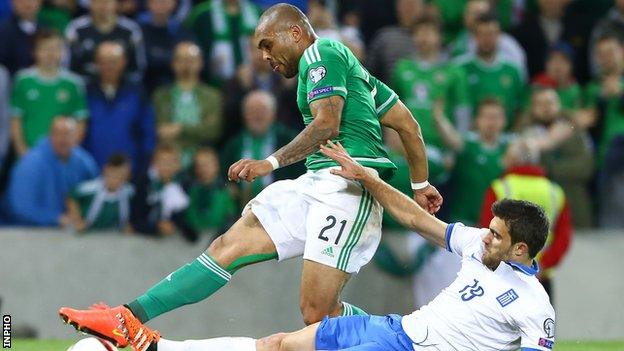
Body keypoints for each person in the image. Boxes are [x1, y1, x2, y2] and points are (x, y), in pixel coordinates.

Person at [59, 4, 442, 348]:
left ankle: (408, 338)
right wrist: (420, 184)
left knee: (317, 315)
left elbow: (327, 124)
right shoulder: (353, 74)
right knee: (227, 246)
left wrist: (270, 163)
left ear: (295, 32)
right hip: (315, 184)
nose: (264, 56)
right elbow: (408, 125)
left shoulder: (321, 52)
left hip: (348, 187)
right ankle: (128, 319)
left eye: (267, 44)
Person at [90, 140, 556, 351]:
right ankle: (152, 347)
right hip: (397, 332)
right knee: (277, 345)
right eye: (489, 228)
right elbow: (416, 217)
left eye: (496, 234)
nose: (485, 235)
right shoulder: (479, 247)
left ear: (521, 251)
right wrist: (367, 177)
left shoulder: (535, 308)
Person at [479, 141, 573, 299]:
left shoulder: (499, 188)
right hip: (541, 277)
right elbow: (564, 237)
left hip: (504, 276)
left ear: (513, 160)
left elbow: (488, 232)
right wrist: (543, 265)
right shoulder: (555, 191)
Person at [3, 116, 98, 226]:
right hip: (24, 231)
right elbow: (20, 207)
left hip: (71, 231)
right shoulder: (30, 164)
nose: (63, 139)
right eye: (58, 133)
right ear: (50, 135)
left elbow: (98, 192)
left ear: (76, 135)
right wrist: (56, 218)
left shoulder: (84, 162)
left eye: (68, 133)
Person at [10, 28, 88, 157]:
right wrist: (23, 152)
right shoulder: (23, 80)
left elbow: (80, 122)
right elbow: (16, 119)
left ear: (63, 52)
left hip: (62, 156)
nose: (51, 53)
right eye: (45, 48)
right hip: (30, 153)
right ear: (35, 52)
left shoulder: (73, 83)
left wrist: (68, 151)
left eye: (56, 48)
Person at [220, 90, 303, 208]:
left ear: (273, 114)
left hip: (283, 205)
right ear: (244, 115)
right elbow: (223, 176)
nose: (257, 115)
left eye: (262, 110)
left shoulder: (290, 140)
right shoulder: (233, 143)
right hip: (241, 206)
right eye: (252, 111)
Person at [82, 41, 156, 174]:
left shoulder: (137, 92)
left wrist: (143, 167)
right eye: (104, 61)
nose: (109, 66)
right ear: (96, 63)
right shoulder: (85, 92)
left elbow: (147, 132)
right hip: (91, 170)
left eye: (114, 61)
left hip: (129, 171)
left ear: (124, 62)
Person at [153, 41, 223, 166]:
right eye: (182, 60)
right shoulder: (161, 96)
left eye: (191, 60)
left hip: (201, 160)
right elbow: (161, 131)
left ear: (200, 63)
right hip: (169, 160)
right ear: (173, 63)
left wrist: (180, 129)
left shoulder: (212, 96)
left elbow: (212, 130)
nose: (186, 64)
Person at [456, 12, 525, 130]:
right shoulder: (460, 68)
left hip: (505, 138)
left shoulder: (513, 70)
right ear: (474, 37)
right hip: (468, 137)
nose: (487, 39)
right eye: (482, 34)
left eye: (491, 34)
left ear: (499, 36)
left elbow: (521, 109)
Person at [131, 143, 198, 242]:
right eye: (162, 162)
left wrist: (174, 225)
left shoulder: (186, 187)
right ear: (154, 164)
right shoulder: (144, 185)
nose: (166, 166)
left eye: (171, 162)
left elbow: (189, 219)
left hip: (177, 243)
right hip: (145, 241)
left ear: (178, 165)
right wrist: (156, 227)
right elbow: (135, 218)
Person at [65, 0, 146, 82]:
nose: (103, 5)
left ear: (116, 4)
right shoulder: (76, 28)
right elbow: (68, 65)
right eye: (98, 2)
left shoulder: (130, 29)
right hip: (85, 84)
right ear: (90, 4)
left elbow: (138, 67)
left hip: (123, 85)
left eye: (108, 2)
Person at [64, 153, 134, 232]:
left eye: (123, 176)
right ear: (106, 170)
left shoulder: (129, 191)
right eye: (116, 174)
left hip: (110, 234)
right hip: (87, 232)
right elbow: (71, 196)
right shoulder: (91, 188)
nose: (118, 179)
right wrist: (77, 219)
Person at [139, 0, 194, 94]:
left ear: (174, 4)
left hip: (175, 86)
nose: (161, 4)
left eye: (165, 1)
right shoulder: (138, 30)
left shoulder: (182, 32)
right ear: (148, 3)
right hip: (145, 86)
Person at [365, 0, 423, 83]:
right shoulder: (384, 37)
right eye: (405, 5)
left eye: (413, 4)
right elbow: (368, 71)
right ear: (397, 8)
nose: (409, 9)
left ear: (422, 8)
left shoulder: (432, 38)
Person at [184, 147, 237, 234]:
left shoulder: (227, 190)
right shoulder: (190, 190)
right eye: (199, 166)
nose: (203, 169)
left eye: (206, 165)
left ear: (216, 165)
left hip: (219, 236)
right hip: (193, 237)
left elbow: (231, 216)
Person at [0, 0, 47, 75]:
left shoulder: (47, 30)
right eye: (22, 0)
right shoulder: (2, 31)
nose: (27, 4)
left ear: (40, 2)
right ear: (13, 3)